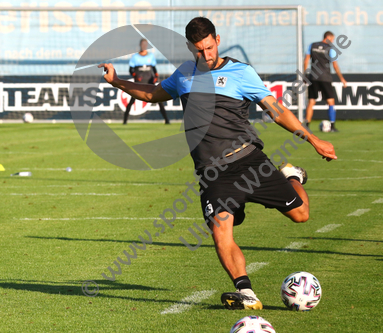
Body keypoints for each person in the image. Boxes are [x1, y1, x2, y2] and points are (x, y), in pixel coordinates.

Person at [99, 17, 337, 311]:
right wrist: (117, 81)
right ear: (190, 47)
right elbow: (153, 94)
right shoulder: (184, 74)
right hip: (213, 174)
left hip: (249, 162)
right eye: (198, 50)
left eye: (209, 47)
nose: (205, 55)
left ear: (218, 40)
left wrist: (313, 139)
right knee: (220, 231)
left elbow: (276, 110)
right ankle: (246, 292)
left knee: (301, 215)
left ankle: (291, 177)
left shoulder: (240, 72)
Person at [304, 31, 347, 132]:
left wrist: (305, 75)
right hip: (325, 78)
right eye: (332, 39)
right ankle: (332, 126)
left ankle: (306, 126)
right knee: (330, 101)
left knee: (311, 101)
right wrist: (341, 78)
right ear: (328, 37)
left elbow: (306, 60)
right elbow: (335, 65)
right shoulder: (330, 49)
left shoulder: (312, 45)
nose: (332, 41)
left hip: (313, 77)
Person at [123, 38, 170, 125]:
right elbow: (131, 70)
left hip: (150, 82)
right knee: (132, 101)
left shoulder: (151, 56)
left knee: (159, 100)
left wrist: (156, 76)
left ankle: (167, 120)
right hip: (139, 83)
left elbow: (154, 69)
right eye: (143, 44)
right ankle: (124, 121)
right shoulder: (135, 57)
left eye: (146, 44)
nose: (144, 46)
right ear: (140, 45)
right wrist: (135, 76)